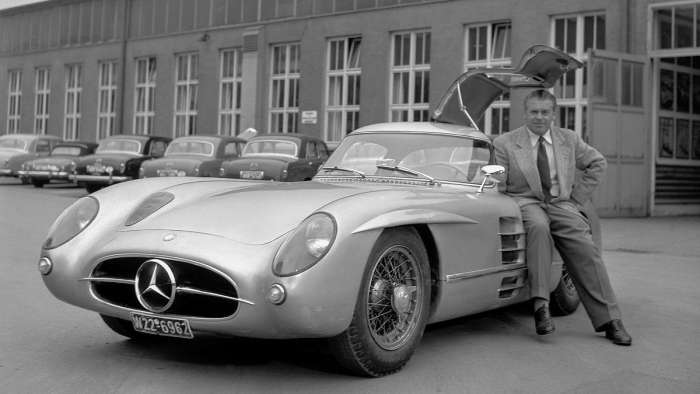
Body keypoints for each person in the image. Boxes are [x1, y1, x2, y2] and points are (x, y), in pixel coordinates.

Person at [493, 89, 632, 346]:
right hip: (526, 202)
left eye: (545, 112)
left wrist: (576, 200)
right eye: (534, 112)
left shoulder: (568, 139)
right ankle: (541, 308)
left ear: (554, 114)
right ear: (525, 113)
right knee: (538, 227)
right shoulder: (505, 143)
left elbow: (598, 163)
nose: (539, 117)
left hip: (560, 203)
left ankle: (611, 320)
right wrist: (494, 180)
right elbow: (497, 182)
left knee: (586, 248)